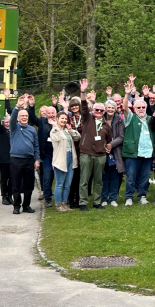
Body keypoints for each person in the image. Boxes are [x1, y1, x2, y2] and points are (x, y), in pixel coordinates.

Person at [77, 80, 113, 211]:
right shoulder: (87, 118)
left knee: (98, 180)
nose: (98, 111)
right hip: (86, 153)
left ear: (104, 112)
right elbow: (83, 106)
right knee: (84, 180)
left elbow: (109, 139)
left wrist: (107, 146)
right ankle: (83, 202)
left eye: (101, 110)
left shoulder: (106, 126)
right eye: (96, 109)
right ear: (93, 110)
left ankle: (97, 202)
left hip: (100, 155)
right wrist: (83, 91)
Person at [121, 78, 155, 206]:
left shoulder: (151, 119)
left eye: (143, 107)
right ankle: (129, 197)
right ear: (134, 109)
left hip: (147, 152)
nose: (141, 109)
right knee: (131, 175)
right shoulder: (130, 117)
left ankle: (142, 195)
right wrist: (127, 94)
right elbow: (125, 107)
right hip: (133, 152)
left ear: (146, 108)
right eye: (138, 107)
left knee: (145, 176)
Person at [8, 94, 40, 215]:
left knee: (29, 185)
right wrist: (17, 106)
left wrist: (37, 160)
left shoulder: (32, 129)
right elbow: (12, 118)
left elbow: (36, 146)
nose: (25, 118)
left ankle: (26, 205)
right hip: (16, 159)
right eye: (22, 116)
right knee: (16, 184)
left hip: (29, 160)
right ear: (17, 118)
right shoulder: (14, 127)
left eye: (26, 116)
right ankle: (16, 206)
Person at [50, 111, 80, 212]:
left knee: (67, 184)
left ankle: (64, 203)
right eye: (62, 118)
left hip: (70, 158)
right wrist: (56, 126)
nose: (64, 120)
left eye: (65, 119)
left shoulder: (67, 131)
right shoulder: (54, 131)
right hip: (60, 159)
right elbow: (57, 137)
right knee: (60, 183)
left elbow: (77, 137)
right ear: (57, 119)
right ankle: (58, 205)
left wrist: (71, 130)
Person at [100, 100, 125, 207]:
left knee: (115, 176)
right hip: (102, 151)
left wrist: (111, 145)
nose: (110, 109)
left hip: (116, 151)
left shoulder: (119, 119)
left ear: (115, 109)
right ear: (105, 108)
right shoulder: (100, 118)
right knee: (104, 176)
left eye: (112, 108)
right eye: (108, 107)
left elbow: (121, 136)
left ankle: (113, 198)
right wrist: (104, 145)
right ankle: (104, 198)